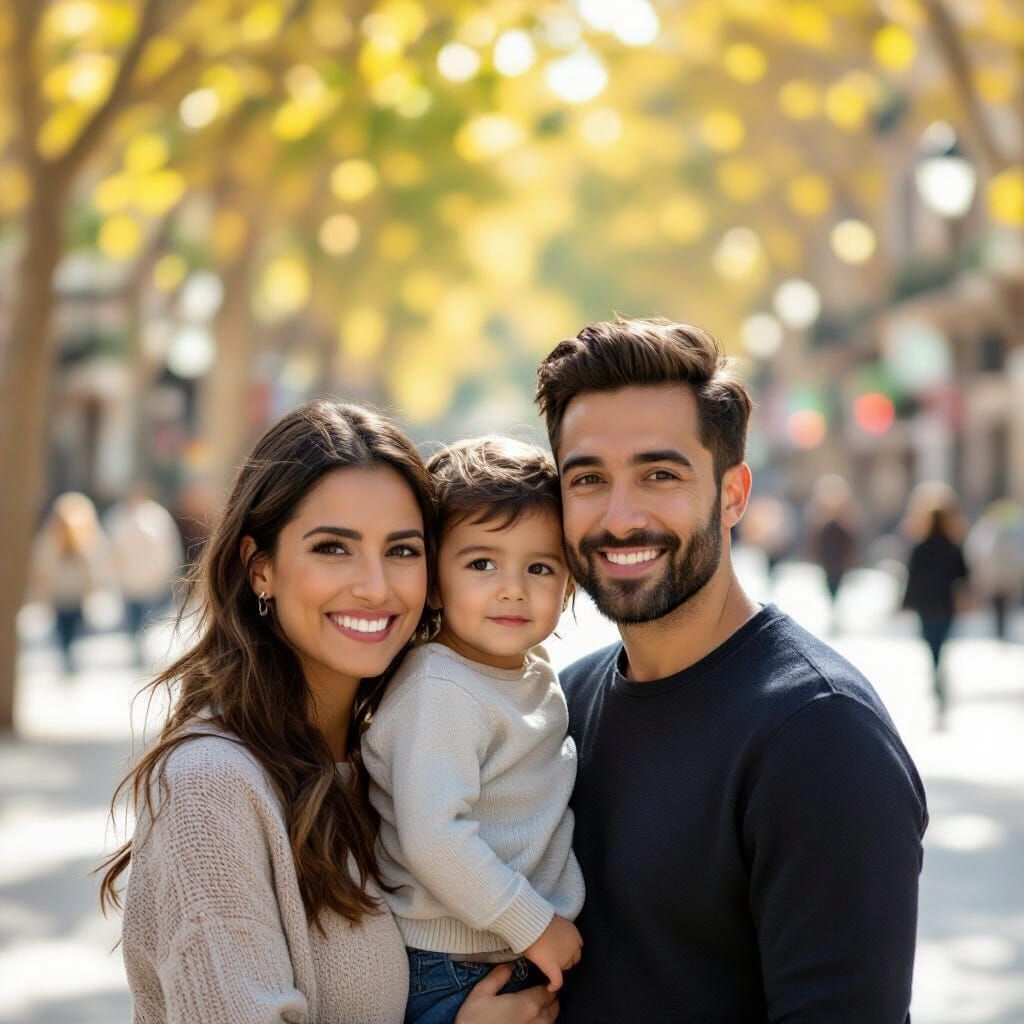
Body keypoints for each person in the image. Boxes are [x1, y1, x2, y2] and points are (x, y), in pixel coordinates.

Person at [99, 401, 558, 1024]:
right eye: (334, 548)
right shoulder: (210, 787)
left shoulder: (388, 754)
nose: (374, 586)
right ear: (260, 568)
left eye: (402, 550)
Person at [534, 317, 928, 1023]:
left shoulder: (822, 737)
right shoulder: (564, 702)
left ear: (734, 494)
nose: (621, 518)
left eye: (660, 474)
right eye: (588, 479)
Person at [363, 437, 585, 1024]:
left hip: (509, 946)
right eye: (482, 563)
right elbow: (436, 838)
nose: (513, 587)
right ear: (435, 581)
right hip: (453, 965)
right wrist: (533, 924)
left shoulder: (529, 674)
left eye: (540, 567)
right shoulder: (440, 688)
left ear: (568, 584)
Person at [902, 483, 970, 728]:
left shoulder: (920, 547)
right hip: (944, 605)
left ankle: (936, 674)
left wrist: (905, 603)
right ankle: (938, 675)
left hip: (927, 605)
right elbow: (964, 577)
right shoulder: (953, 547)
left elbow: (911, 578)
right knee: (939, 645)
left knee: (932, 646)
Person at [31, 491, 109, 676]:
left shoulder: (83, 538)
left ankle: (68, 656)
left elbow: (95, 565)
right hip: (68, 593)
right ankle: (68, 657)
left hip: (68, 593)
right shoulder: (53, 539)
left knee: (67, 628)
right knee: (67, 628)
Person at [105, 487, 184, 666]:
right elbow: (110, 550)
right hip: (128, 580)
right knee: (132, 615)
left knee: (146, 615)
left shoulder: (157, 517)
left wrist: (168, 572)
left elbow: (167, 548)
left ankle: (140, 645)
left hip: (150, 579)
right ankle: (136, 645)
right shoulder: (117, 517)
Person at [806, 474, 859, 632]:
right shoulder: (822, 524)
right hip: (828, 562)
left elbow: (850, 543)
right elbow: (816, 543)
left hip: (838, 562)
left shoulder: (844, 524)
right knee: (830, 587)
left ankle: (835, 610)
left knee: (836, 587)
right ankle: (833, 609)